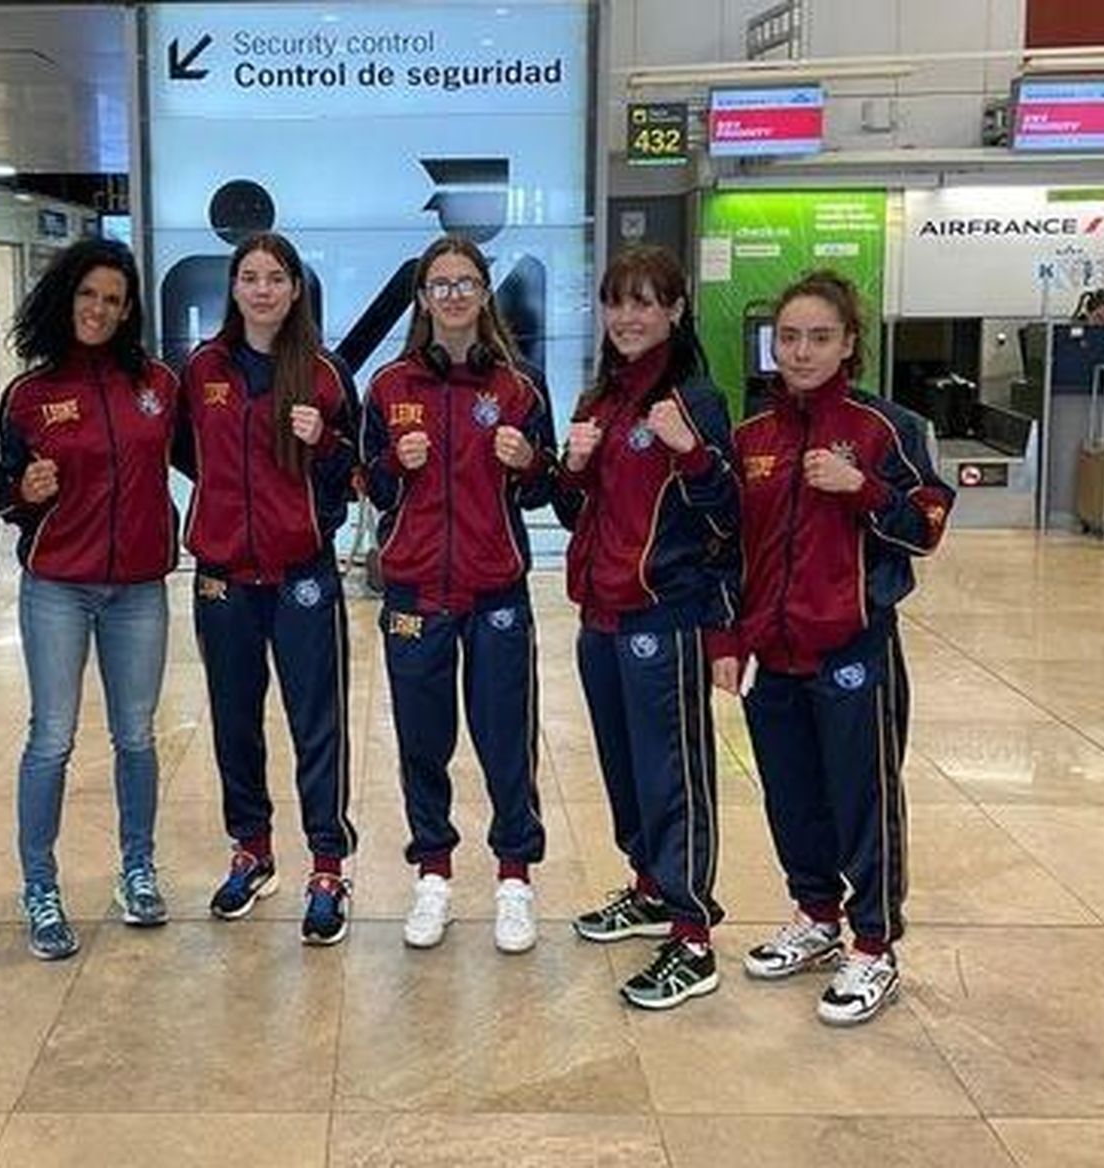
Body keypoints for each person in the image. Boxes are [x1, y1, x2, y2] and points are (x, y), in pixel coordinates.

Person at [718, 269, 954, 1026]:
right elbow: (730, 549)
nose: (802, 351)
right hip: (772, 657)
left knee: (864, 800)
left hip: (854, 649)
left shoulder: (887, 429)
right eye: (789, 338)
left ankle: (874, 945)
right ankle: (816, 916)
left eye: (819, 337)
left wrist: (861, 488)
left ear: (849, 343)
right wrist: (729, 638)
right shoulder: (751, 436)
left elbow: (926, 525)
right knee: (792, 796)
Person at [360, 234, 556, 954]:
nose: (452, 296)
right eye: (439, 285)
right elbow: (369, 487)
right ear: (422, 298)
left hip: (496, 589)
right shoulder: (388, 387)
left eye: (465, 283)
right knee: (422, 741)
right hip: (415, 592)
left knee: (507, 741)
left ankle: (513, 879)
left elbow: (545, 487)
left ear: (483, 292)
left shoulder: (520, 386)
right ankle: (434, 875)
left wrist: (528, 458)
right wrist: (392, 462)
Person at [555, 245, 738, 1008]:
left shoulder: (694, 397)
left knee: (674, 775)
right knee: (625, 770)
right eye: (616, 302)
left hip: (667, 617)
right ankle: (649, 885)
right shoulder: (600, 401)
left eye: (645, 302)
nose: (628, 317)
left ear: (675, 310)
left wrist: (691, 454)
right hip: (599, 617)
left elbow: (731, 518)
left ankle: (692, 935)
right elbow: (573, 515)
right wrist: (570, 466)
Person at [0, 240, 179, 960]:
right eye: (87, 295)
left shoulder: (159, 385)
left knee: (136, 736)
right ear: (64, 298)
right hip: (58, 589)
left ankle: (137, 869)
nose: (98, 310)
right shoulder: (29, 394)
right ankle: (39, 885)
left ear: (128, 309)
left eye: (113, 298)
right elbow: (5, 495)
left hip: (138, 589)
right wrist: (23, 494)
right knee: (52, 737)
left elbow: (215, 457)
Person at [176, 231, 360, 946]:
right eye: (249, 277)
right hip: (224, 579)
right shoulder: (202, 369)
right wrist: (228, 512)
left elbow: (351, 471)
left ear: (294, 288)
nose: (261, 289)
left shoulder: (322, 373)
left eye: (274, 278)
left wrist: (322, 448)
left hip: (300, 578)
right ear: (233, 288)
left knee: (318, 723)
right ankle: (251, 850)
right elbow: (191, 455)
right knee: (234, 721)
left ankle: (327, 864)